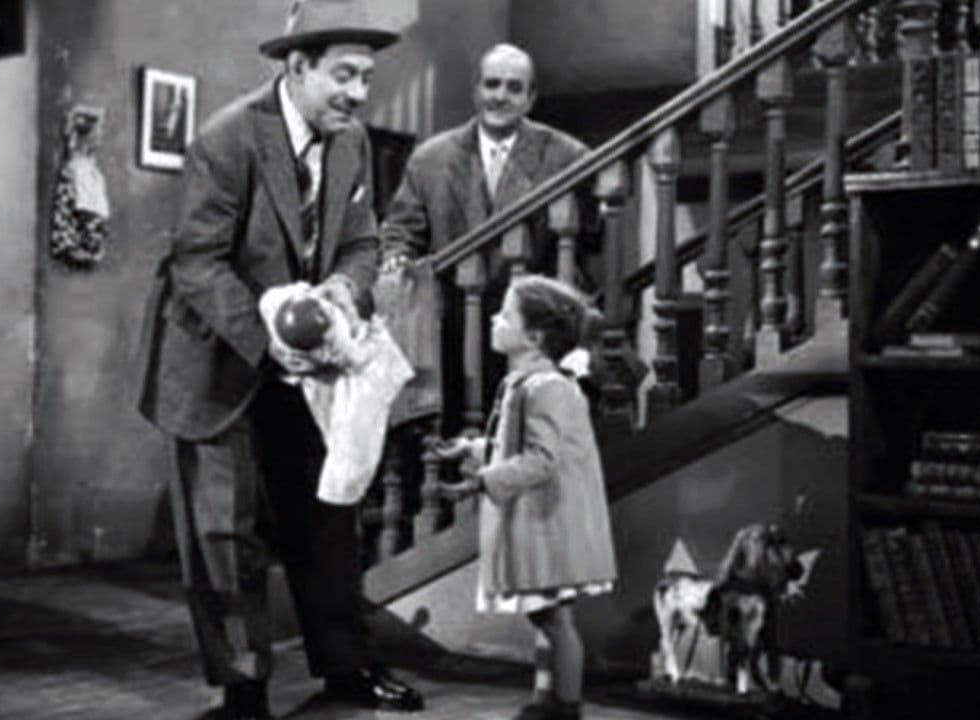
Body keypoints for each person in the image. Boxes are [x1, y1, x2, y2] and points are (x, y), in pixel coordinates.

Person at [133, 1, 423, 718]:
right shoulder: (227, 138)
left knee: (326, 515)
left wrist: (343, 289)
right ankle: (244, 689)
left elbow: (361, 243)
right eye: (344, 75)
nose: (359, 93)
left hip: (305, 365)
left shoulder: (351, 142)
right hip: (216, 358)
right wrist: (273, 339)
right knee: (224, 532)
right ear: (297, 66)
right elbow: (197, 264)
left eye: (366, 77)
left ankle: (347, 668)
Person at [431, 275, 618, 720]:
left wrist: (481, 481)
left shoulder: (546, 387)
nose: (494, 320)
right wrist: (473, 449)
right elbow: (514, 446)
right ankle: (543, 696)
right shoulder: (527, 383)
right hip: (541, 520)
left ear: (534, 337)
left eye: (505, 315)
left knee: (555, 620)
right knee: (544, 616)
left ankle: (566, 706)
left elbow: (542, 459)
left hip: (552, 523)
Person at [378, 43, 590, 432]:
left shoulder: (568, 156)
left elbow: (591, 239)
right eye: (492, 84)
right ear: (476, 89)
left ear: (531, 98)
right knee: (454, 431)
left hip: (530, 330)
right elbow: (401, 230)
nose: (500, 96)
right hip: (452, 324)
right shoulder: (430, 158)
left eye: (514, 87)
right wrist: (397, 256)